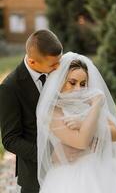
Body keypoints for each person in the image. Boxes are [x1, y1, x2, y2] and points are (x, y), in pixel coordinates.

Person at [36, 52, 116, 193]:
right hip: (71, 175)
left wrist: (84, 122)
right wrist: (96, 106)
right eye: (72, 83)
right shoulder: (54, 110)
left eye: (83, 84)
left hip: (102, 167)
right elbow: (81, 141)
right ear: (59, 81)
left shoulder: (87, 103)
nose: (78, 89)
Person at [0, 29, 63, 193]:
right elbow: (10, 139)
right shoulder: (10, 88)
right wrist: (48, 156)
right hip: (35, 176)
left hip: (67, 170)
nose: (59, 68)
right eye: (53, 65)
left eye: (59, 61)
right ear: (33, 62)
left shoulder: (57, 70)